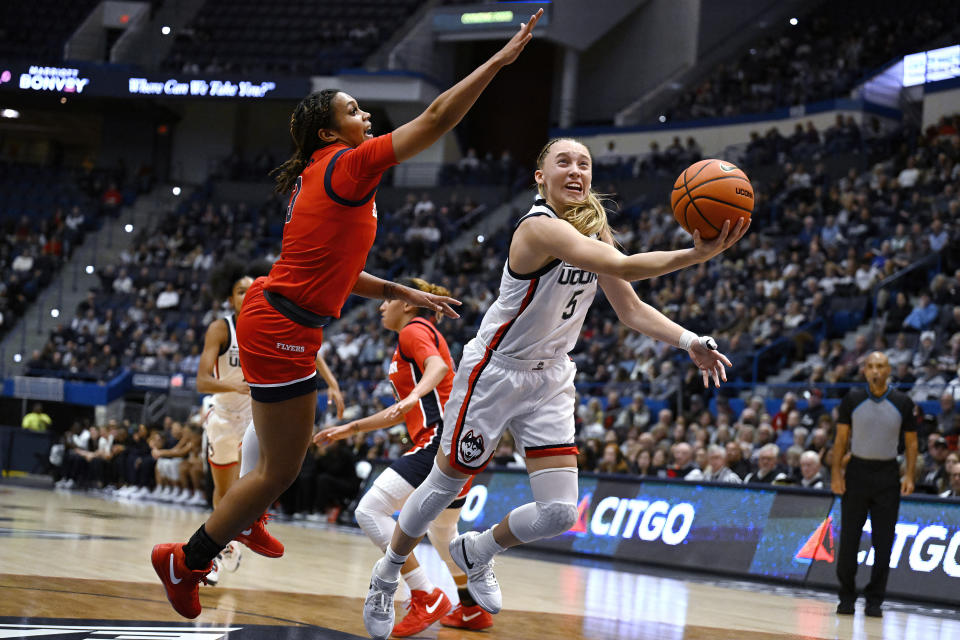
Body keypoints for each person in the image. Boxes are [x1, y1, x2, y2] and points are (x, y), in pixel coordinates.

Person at [152, 9, 541, 621]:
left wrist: (401, 289)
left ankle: (241, 518)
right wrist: (498, 62)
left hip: (283, 318)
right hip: (280, 324)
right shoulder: (347, 164)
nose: (365, 116)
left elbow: (339, 270)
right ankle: (188, 558)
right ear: (331, 132)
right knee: (282, 466)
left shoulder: (321, 172)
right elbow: (436, 118)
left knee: (278, 460)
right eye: (354, 110)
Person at [362, 133, 748, 639]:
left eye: (584, 164)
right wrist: (696, 254)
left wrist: (688, 339)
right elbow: (624, 266)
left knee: (561, 511)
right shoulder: (538, 228)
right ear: (540, 177)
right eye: (563, 162)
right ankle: (387, 573)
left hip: (550, 377)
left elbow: (630, 309)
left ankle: (478, 550)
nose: (576, 170)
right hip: (495, 372)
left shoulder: (595, 232)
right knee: (443, 487)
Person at [314, 277, 492, 635]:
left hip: (439, 441)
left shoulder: (414, 329)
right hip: (456, 446)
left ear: (407, 303)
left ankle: (426, 594)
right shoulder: (415, 336)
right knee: (443, 533)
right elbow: (401, 409)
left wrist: (414, 397)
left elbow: (437, 369)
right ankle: (472, 608)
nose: (381, 306)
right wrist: (349, 429)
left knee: (369, 510)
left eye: (387, 300)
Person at [196, 258, 345, 585]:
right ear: (229, 297)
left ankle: (223, 549)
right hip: (222, 416)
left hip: (255, 412)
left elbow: (312, 352)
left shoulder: (268, 318)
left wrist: (332, 384)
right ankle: (217, 545)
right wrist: (231, 384)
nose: (246, 295)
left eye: (251, 290)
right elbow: (202, 381)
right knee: (224, 493)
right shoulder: (221, 328)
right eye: (239, 291)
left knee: (250, 486)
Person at [832, 351, 917, 618]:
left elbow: (912, 443)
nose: (875, 370)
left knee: (883, 542)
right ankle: (846, 596)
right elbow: (841, 439)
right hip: (857, 471)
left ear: (889, 369)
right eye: (870, 366)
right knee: (848, 540)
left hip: (887, 475)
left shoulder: (903, 402)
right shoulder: (853, 399)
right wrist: (836, 473)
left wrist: (910, 475)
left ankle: (874, 600)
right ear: (865, 370)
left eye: (880, 366)